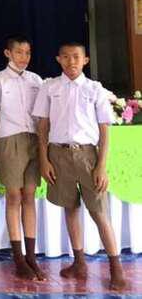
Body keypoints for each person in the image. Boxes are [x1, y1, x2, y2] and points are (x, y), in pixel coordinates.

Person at [34, 42, 127, 291]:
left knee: (99, 211)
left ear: (85, 60)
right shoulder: (50, 87)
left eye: (76, 57)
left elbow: (104, 131)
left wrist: (101, 166)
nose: (71, 61)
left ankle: (116, 267)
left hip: (87, 156)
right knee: (70, 207)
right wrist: (44, 159)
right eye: (65, 57)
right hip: (58, 154)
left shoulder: (94, 89)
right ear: (58, 59)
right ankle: (79, 262)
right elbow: (42, 127)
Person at [0, 35, 45, 280]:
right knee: (13, 196)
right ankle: (18, 257)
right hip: (9, 140)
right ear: (8, 53)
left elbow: (42, 116)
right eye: (19, 52)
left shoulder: (36, 80)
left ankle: (31, 256)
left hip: (33, 140)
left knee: (29, 196)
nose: (24, 57)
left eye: (27, 53)